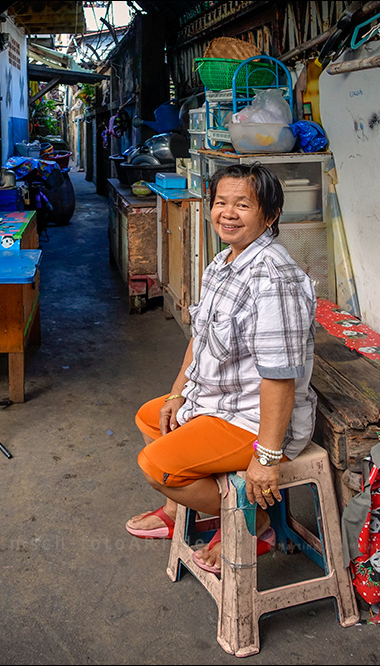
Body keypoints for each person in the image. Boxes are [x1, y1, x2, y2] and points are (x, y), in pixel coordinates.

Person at [124, 163, 317, 574]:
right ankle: (179, 511)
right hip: (219, 400)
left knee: (156, 465)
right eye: (220, 202)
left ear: (270, 214)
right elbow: (201, 338)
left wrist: (266, 458)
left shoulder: (273, 277)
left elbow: (279, 377)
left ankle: (254, 521)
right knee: (151, 417)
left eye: (243, 204)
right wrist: (178, 393)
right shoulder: (224, 262)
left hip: (254, 419)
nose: (227, 213)